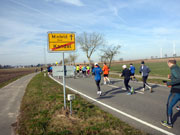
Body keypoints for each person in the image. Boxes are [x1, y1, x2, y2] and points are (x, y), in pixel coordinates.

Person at [161, 59, 180, 128]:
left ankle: (169, 123)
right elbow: (177, 77)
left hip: (176, 91)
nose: (167, 65)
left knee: (169, 105)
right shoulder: (177, 68)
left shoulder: (174, 69)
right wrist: (171, 77)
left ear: (169, 63)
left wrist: (169, 83)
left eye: (167, 63)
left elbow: (179, 79)